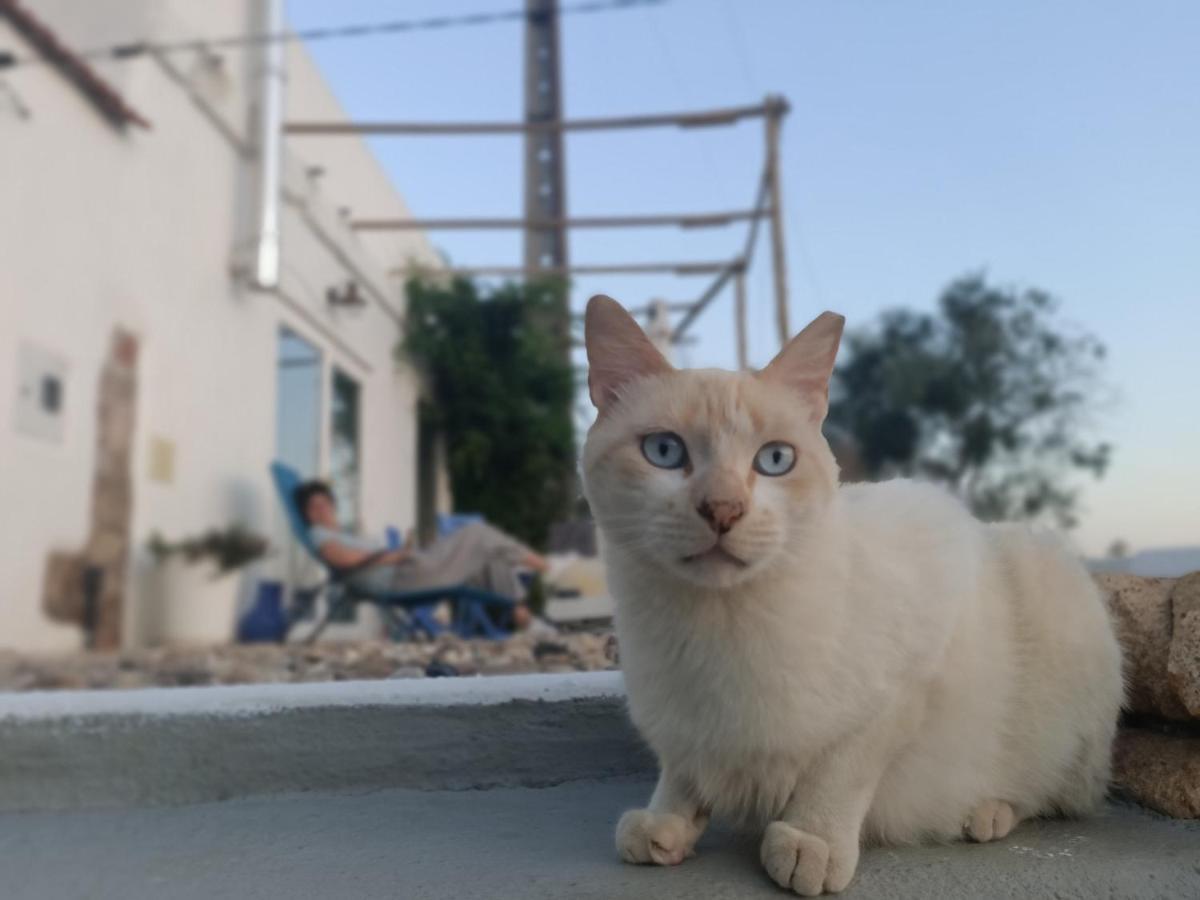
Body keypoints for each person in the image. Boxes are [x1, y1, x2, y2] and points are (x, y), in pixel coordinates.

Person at [293, 480, 551, 626]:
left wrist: (400, 553)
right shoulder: (319, 535)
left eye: (325, 503)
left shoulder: (343, 533)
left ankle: (521, 613)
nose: (322, 510)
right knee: (477, 534)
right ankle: (546, 568)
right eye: (314, 506)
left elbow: (356, 556)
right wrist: (394, 556)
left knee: (485, 552)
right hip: (401, 578)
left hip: (407, 570)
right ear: (306, 514)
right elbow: (343, 561)